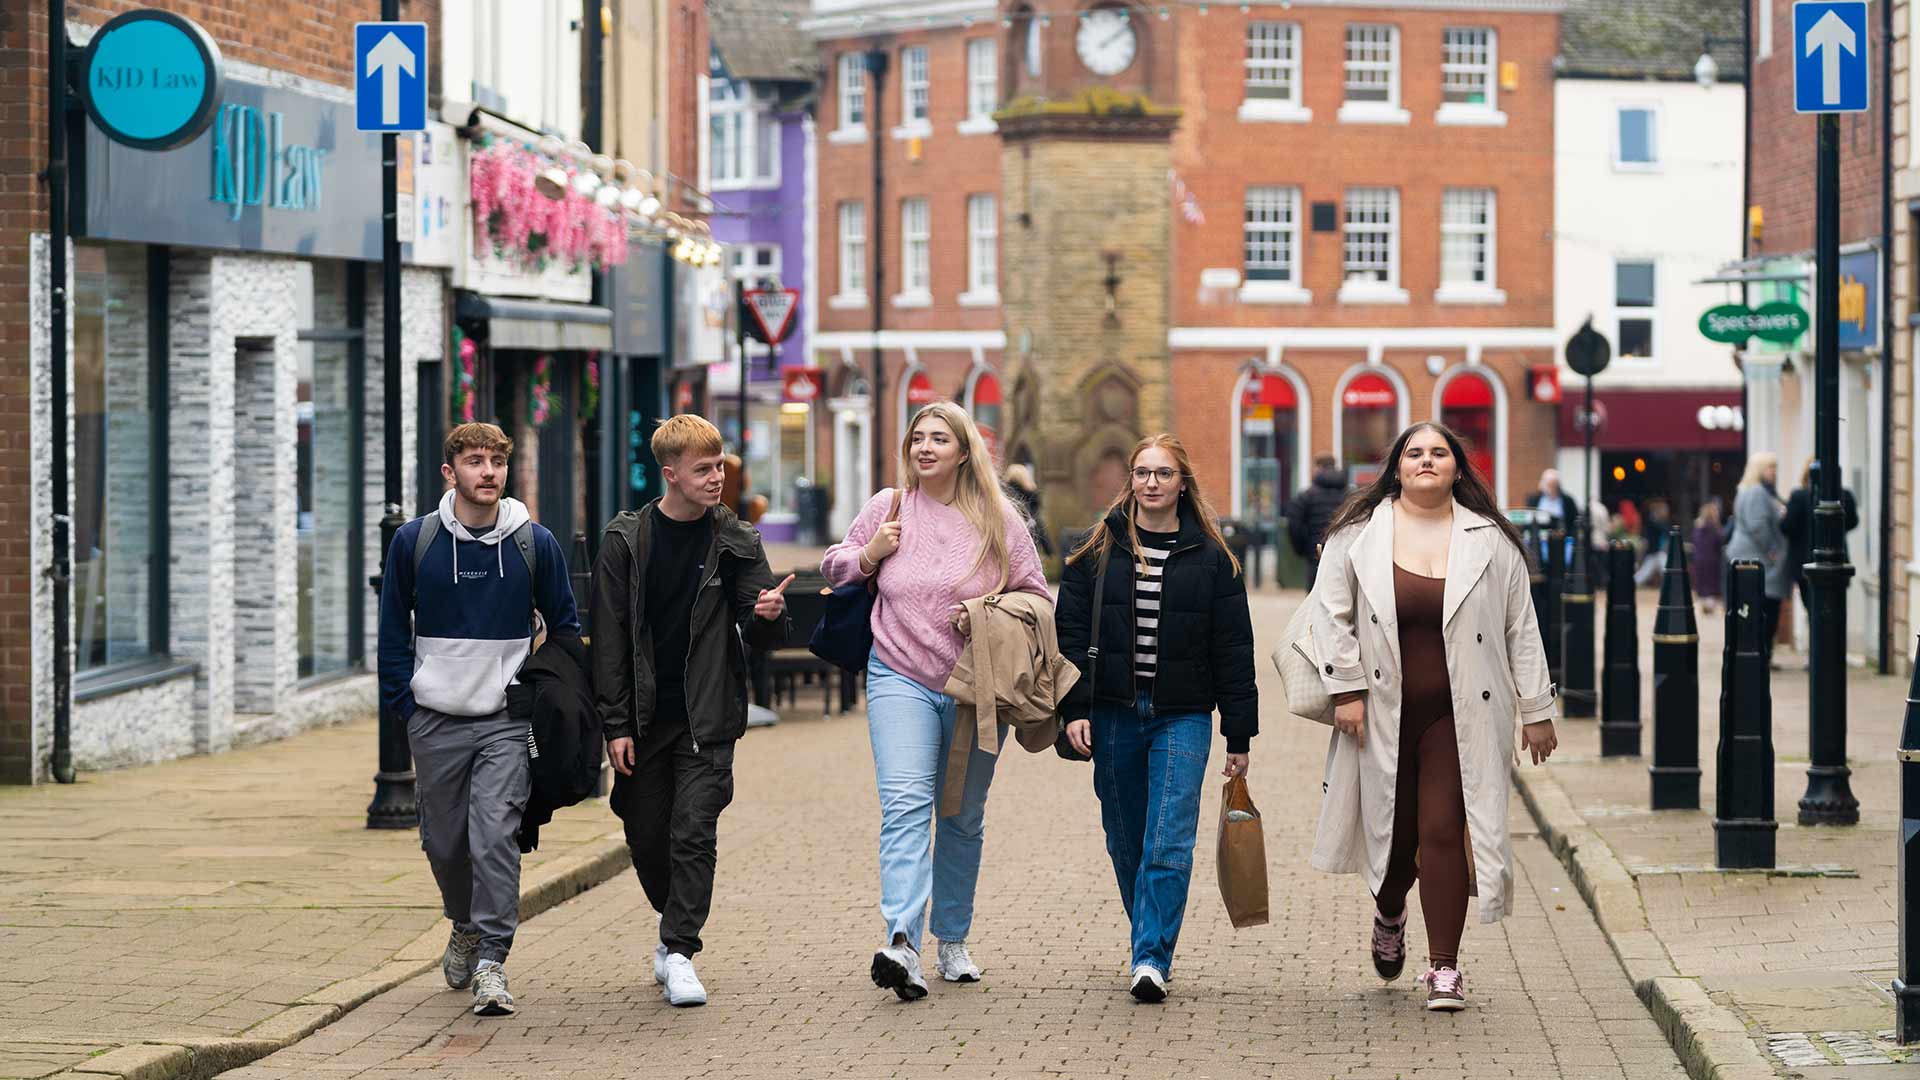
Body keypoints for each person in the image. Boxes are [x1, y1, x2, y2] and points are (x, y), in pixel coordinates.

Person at [1308, 422, 1557, 1013]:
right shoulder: (1358, 536)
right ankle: (1390, 910)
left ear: (1457, 468)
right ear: (1396, 467)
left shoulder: (1491, 541)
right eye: (1414, 452)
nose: (1426, 460)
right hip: (1379, 712)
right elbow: (1329, 615)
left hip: (1461, 712)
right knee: (1393, 839)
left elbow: (1521, 628)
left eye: (1439, 452)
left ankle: (1444, 967)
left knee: (1444, 829)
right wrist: (1344, 690)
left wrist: (1537, 710)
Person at [821, 401, 1050, 1002]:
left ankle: (951, 938)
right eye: (917, 438)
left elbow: (1038, 598)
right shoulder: (889, 507)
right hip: (899, 674)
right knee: (905, 804)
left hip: (978, 687)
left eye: (939, 439)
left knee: (961, 816)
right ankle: (902, 941)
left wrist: (987, 614)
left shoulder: (1000, 518)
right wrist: (870, 555)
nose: (925, 448)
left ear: (963, 451)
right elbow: (835, 564)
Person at [378, 422, 581, 1018]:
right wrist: (405, 703)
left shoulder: (533, 542)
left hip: (504, 720)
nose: (488, 471)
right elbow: (392, 628)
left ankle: (492, 958)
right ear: (450, 472)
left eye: (496, 461)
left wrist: (536, 697)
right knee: (444, 844)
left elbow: (565, 628)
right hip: (434, 717)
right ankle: (464, 923)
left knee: (494, 836)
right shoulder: (415, 542)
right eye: (474, 461)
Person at [590, 414, 793, 1008]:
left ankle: (680, 950)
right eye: (703, 469)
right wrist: (616, 725)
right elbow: (608, 640)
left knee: (693, 831)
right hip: (646, 719)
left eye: (719, 466)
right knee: (645, 831)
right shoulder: (625, 542)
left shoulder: (735, 538)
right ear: (670, 473)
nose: (715, 478)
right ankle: (671, 923)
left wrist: (767, 617)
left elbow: (760, 633)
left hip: (708, 714)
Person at [1055, 435, 1257, 1003]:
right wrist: (1073, 708)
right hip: (1113, 713)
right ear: (1131, 481)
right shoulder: (1097, 549)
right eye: (1142, 472)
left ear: (1182, 483)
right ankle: (1148, 932)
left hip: (1183, 715)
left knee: (1168, 838)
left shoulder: (1214, 559)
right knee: (1125, 839)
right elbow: (1067, 635)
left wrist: (1237, 733)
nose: (1151, 483)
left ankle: (1150, 957)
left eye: (1163, 473)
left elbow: (1233, 649)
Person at [1725, 453, 1789, 661]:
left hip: (1754, 557)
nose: (1775, 472)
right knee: (1765, 610)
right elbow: (1758, 525)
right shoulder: (1756, 492)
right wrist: (1772, 550)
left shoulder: (1751, 491)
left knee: (1755, 609)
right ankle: (1761, 655)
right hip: (1759, 559)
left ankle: (1760, 654)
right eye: (1770, 468)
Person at [1781, 458, 1860, 616]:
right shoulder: (1844, 496)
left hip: (1805, 564)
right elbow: (1852, 522)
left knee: (1814, 612)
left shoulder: (1799, 496)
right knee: (1833, 610)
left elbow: (1787, 527)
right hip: (1836, 562)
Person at [1288, 453, 1349, 590]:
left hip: (1316, 557)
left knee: (1315, 603)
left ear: (1318, 468)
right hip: (1344, 558)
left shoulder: (1306, 496)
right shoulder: (1350, 495)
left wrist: (1303, 550)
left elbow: (1294, 526)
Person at [1003, 462, 1054, 559]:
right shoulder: (1031, 499)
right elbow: (1038, 525)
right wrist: (1049, 551)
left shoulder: (1004, 496)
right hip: (1028, 547)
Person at [1691, 501, 1726, 615]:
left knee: (1702, 583)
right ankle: (1709, 604)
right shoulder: (1715, 529)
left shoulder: (1697, 527)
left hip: (1699, 559)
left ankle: (1704, 604)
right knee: (1711, 584)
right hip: (1712, 560)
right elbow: (1720, 542)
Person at [1635, 498, 1674, 587]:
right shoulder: (1652, 520)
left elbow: (1668, 530)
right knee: (1644, 574)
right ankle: (1629, 585)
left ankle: (1673, 586)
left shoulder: (1661, 521)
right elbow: (1661, 528)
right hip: (1653, 551)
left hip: (1659, 552)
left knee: (1665, 570)